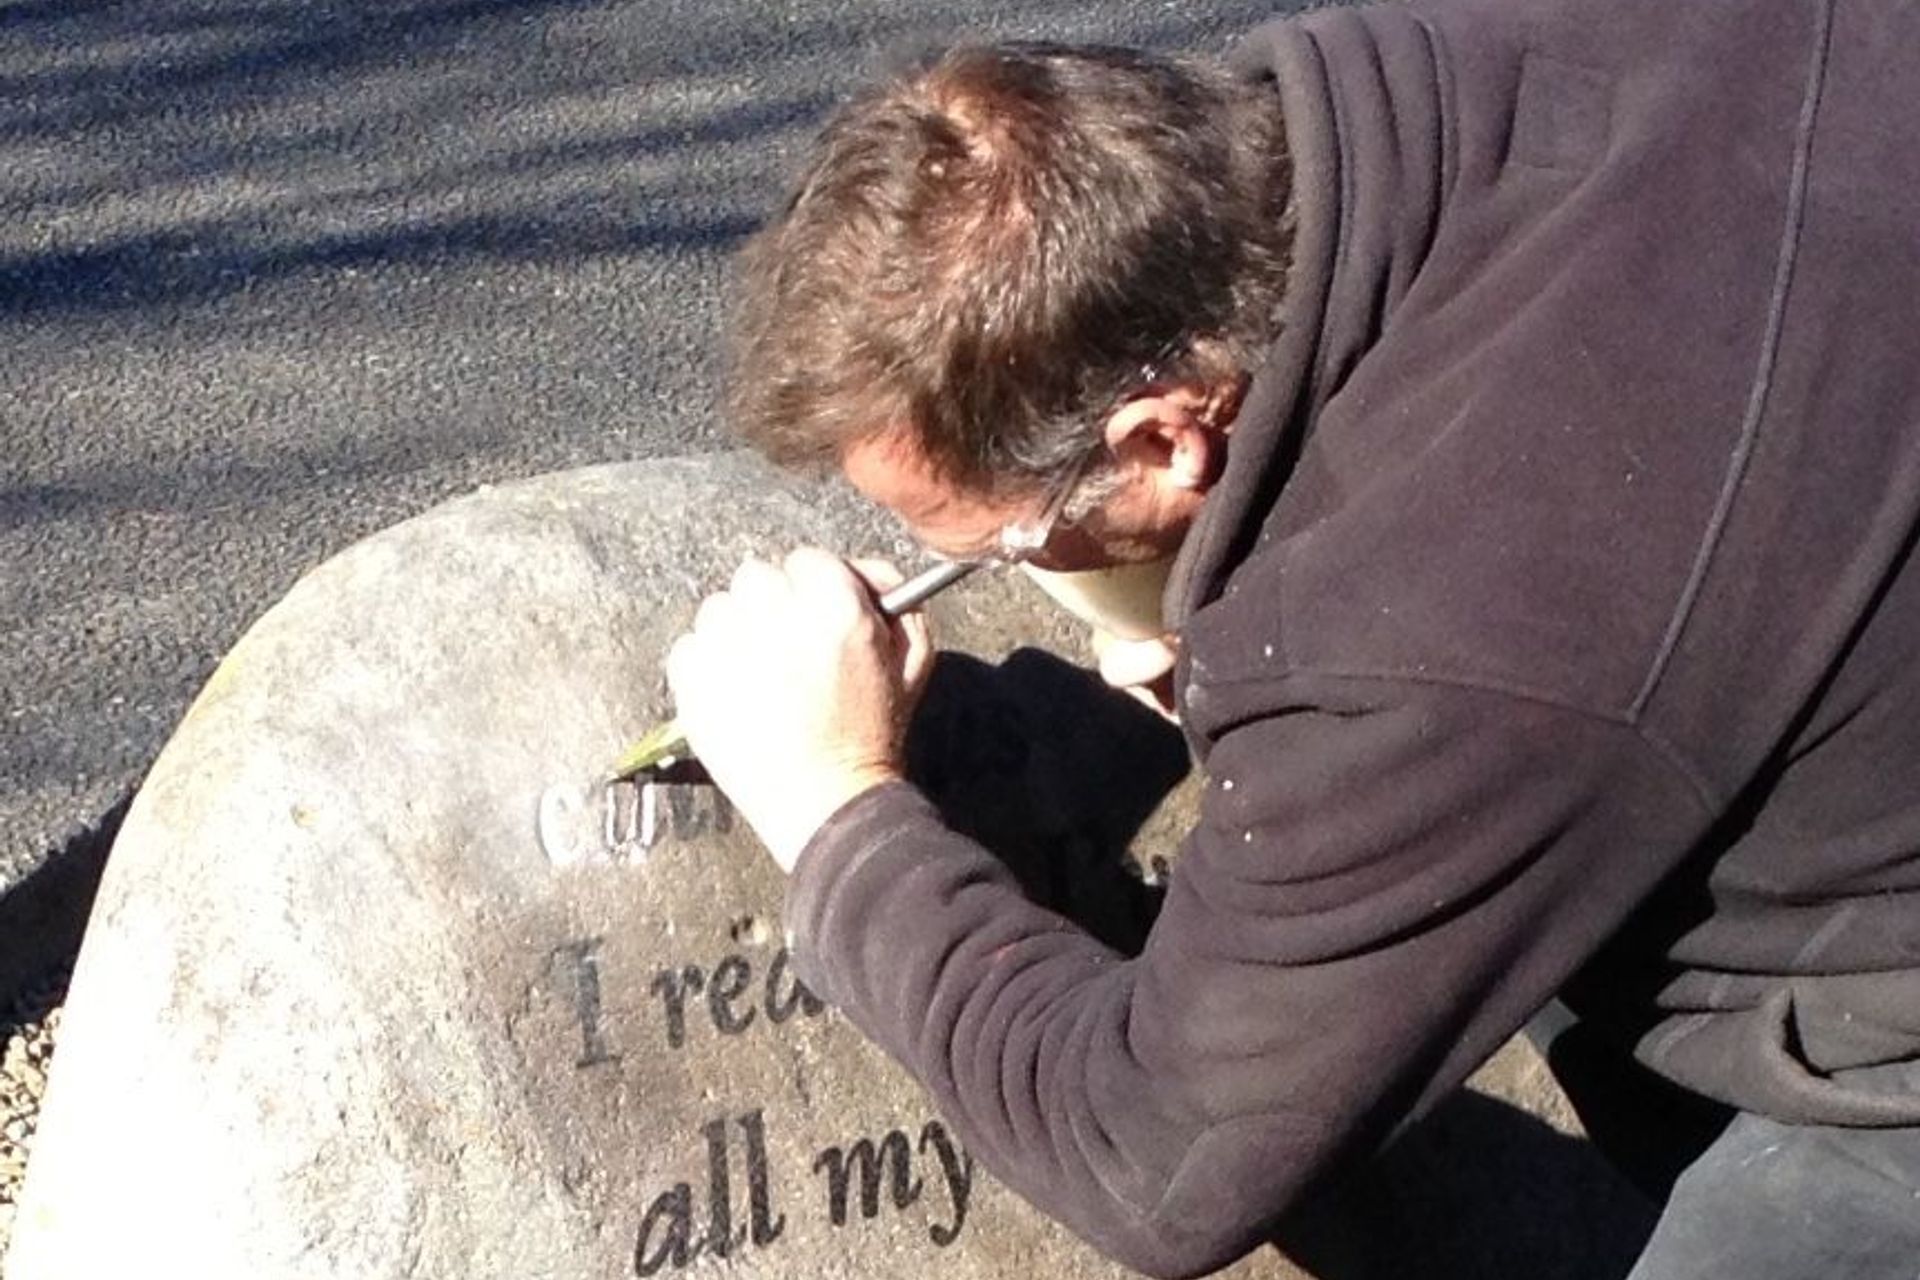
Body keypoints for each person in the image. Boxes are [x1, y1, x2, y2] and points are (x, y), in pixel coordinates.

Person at [661, 0, 1920, 1275]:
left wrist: (836, 808)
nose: (1009, 569)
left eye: (1004, 545)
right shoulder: (1480, 66)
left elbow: (1160, 1156)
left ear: (1161, 441)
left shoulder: (1441, 635)